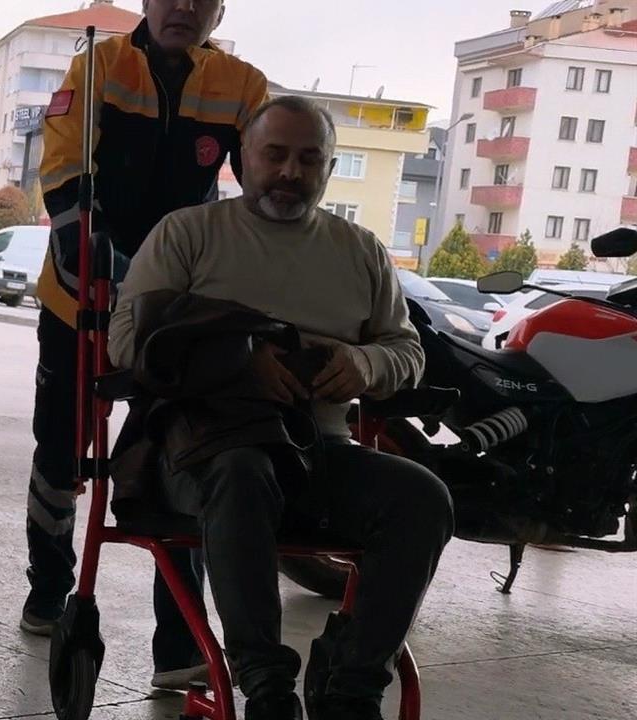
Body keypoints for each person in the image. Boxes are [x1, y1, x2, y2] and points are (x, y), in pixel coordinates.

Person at [108, 96, 455, 720]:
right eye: (275, 155)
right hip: (202, 450)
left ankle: (351, 691)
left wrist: (364, 364)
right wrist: (239, 362)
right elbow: (128, 343)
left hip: (318, 451)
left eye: (308, 159)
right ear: (244, 159)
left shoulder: (360, 250)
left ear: (329, 168)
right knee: (243, 471)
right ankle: (266, 689)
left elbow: (407, 350)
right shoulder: (188, 233)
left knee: (422, 497)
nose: (290, 172)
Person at [23, 0, 271, 690]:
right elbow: (63, 171)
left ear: (219, 9)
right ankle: (49, 585)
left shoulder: (242, 85)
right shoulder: (99, 67)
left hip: (176, 310)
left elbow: (264, 186)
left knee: (181, 448)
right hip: (81, 295)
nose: (184, 7)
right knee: (61, 449)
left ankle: (179, 641)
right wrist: (91, 255)